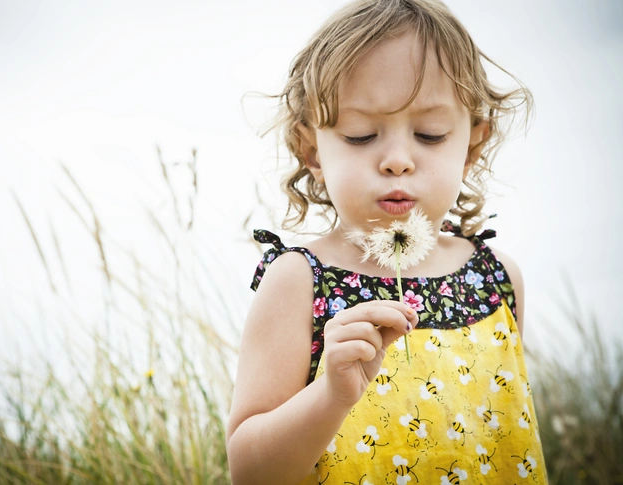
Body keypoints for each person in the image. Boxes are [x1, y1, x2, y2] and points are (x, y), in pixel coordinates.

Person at [226, 0, 546, 484]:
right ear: (311, 149)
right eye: (360, 135)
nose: (397, 159)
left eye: (430, 134)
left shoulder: (497, 280)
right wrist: (330, 394)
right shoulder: (298, 281)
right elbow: (250, 473)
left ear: (473, 145)